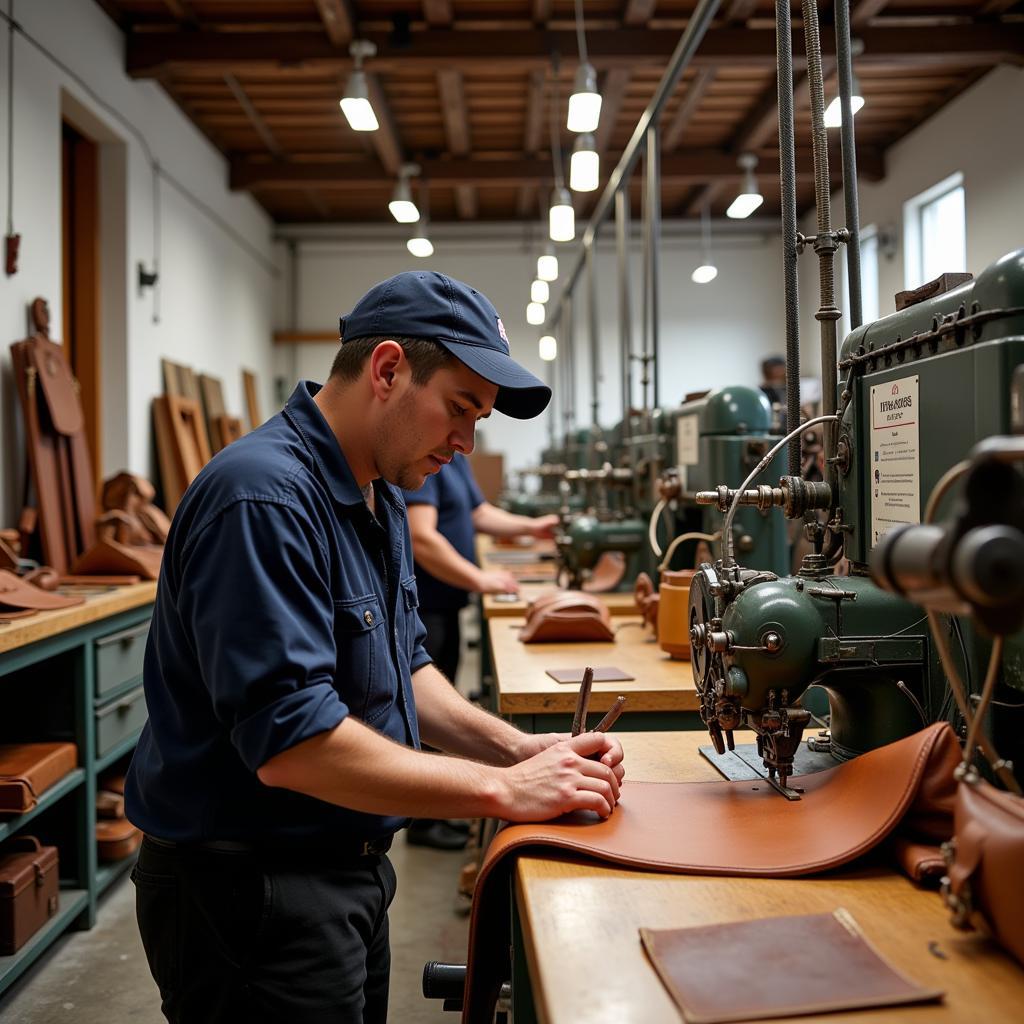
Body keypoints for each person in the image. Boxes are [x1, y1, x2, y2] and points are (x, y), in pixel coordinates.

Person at [125, 271, 625, 1024]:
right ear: (388, 370)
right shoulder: (261, 499)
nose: (465, 442)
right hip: (251, 896)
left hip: (344, 871)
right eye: (460, 409)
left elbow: (404, 664)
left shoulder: (377, 493)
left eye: (479, 420)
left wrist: (514, 750)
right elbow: (293, 745)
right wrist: (500, 793)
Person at [400, 455, 560, 848]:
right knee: (421, 711)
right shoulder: (422, 455)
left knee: (442, 696)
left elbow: (478, 512)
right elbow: (421, 536)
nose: (465, 436)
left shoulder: (452, 459)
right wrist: (481, 579)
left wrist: (532, 527)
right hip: (428, 604)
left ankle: (433, 808)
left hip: (447, 603)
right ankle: (422, 820)